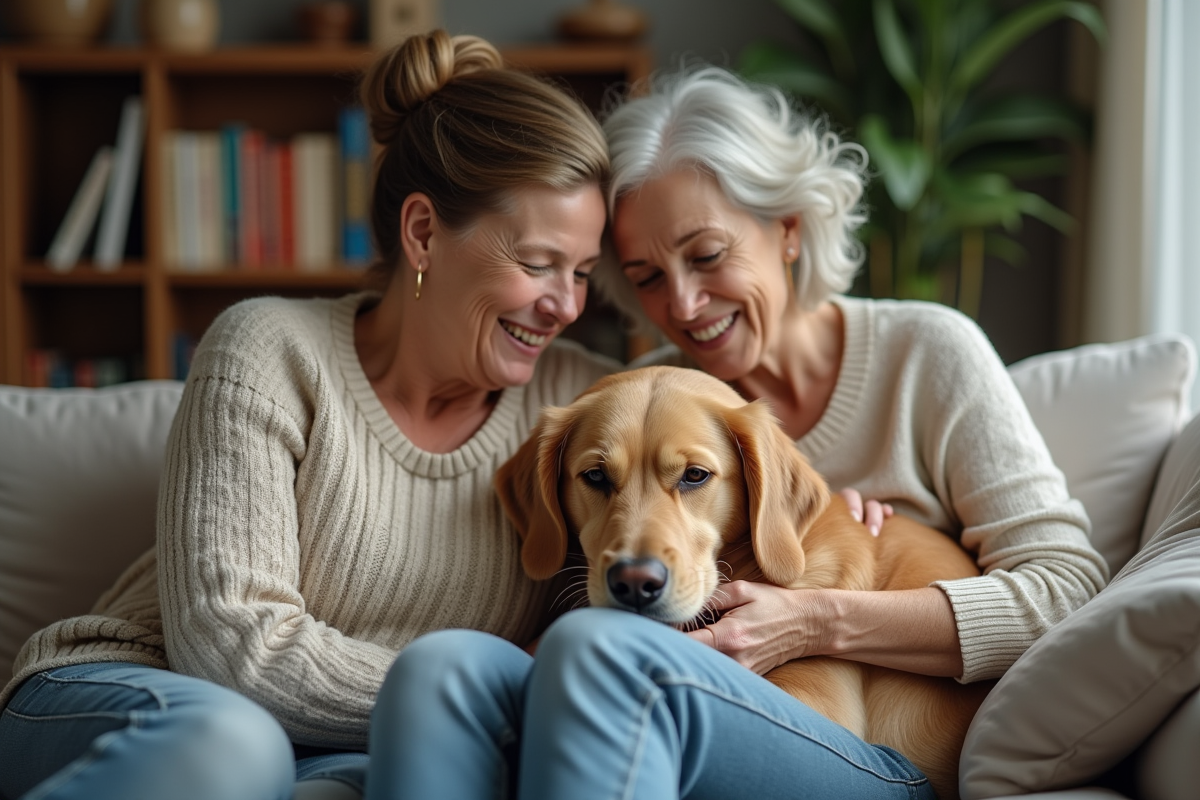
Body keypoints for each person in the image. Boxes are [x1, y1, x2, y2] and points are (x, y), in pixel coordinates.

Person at [368, 66, 1111, 799]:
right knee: (445, 666)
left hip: (872, 752)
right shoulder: (648, 394)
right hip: (669, 699)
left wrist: (816, 618)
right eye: (646, 275)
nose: (686, 304)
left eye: (707, 254)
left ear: (787, 229)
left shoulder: (927, 354)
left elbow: (1068, 590)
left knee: (601, 649)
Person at [0, 30, 617, 800]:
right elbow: (233, 647)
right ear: (423, 232)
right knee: (237, 748)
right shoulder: (270, 350)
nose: (566, 305)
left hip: (346, 744)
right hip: (140, 699)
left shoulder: (591, 406)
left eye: (584, 272)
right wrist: (487, 695)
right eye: (536, 264)